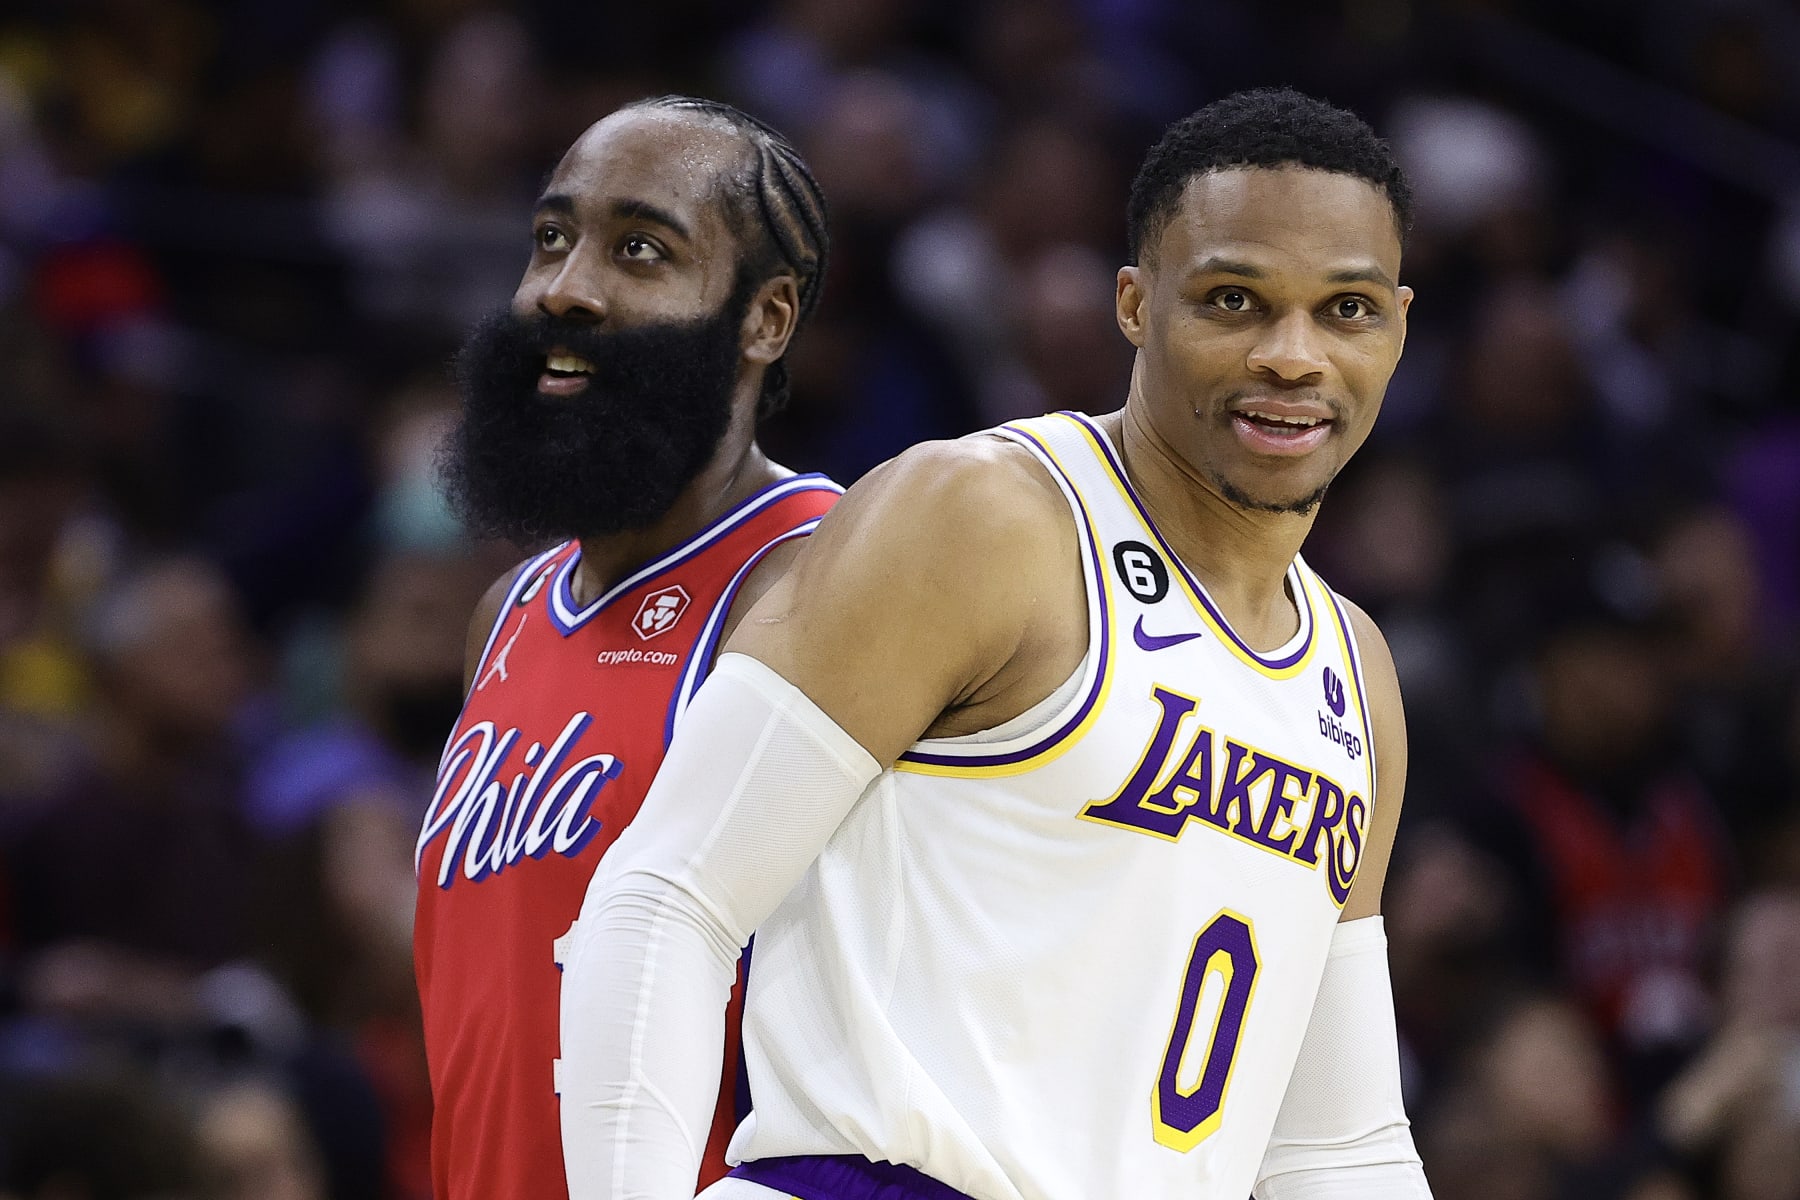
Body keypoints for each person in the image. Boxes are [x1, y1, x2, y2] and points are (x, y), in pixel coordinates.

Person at [559, 86, 1432, 1199]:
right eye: (1233, 300)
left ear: (1399, 324)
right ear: (1134, 304)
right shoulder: (985, 516)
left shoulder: (1355, 675)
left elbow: (1336, 1145)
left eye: (1346, 310)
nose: (1293, 356)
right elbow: (665, 894)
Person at [411, 96, 838, 1200]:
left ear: (766, 318)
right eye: (552, 238)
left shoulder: (827, 579)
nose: (566, 287)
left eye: (640, 250)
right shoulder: (506, 611)